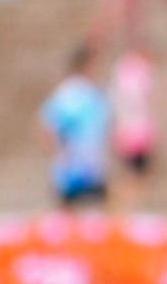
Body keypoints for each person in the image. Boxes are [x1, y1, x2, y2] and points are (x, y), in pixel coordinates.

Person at [38, 46, 112, 211]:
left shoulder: (63, 93)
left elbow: (47, 130)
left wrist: (56, 156)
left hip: (68, 169)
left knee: (68, 216)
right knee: (100, 215)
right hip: (91, 168)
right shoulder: (91, 94)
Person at [112, 47, 157, 196]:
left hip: (130, 130)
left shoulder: (123, 69)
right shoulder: (140, 70)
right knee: (134, 175)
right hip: (137, 131)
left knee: (133, 175)